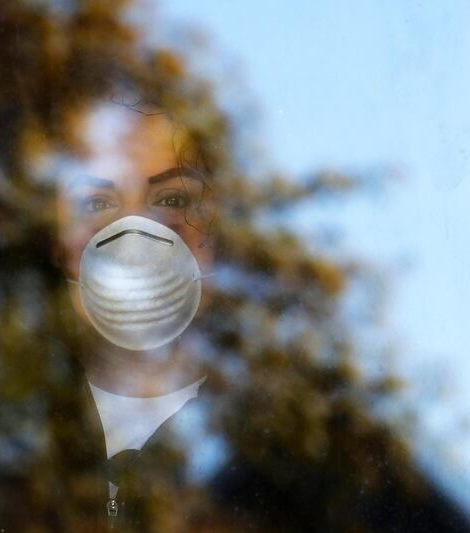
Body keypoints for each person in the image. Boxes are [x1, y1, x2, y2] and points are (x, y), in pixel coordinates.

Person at [34, 97, 470, 531]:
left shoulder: (305, 447)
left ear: (210, 236)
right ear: (59, 244)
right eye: (96, 205)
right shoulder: (8, 434)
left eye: (168, 202)